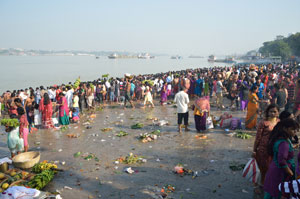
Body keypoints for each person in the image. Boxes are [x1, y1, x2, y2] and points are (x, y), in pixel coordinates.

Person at [264, 118, 299, 198]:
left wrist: (292, 147)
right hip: (280, 172)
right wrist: (290, 172)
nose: (295, 132)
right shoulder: (284, 143)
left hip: (274, 169)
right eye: (293, 129)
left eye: (296, 130)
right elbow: (282, 161)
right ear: (285, 129)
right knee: (278, 192)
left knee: (271, 191)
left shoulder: (281, 139)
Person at [253, 104, 279, 187]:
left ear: (278, 113)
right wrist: (254, 150)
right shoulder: (263, 123)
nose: (273, 113)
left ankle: (268, 184)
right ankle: (261, 184)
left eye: (275, 112)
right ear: (267, 112)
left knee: (272, 167)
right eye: (271, 111)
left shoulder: (279, 122)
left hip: (274, 149)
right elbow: (258, 137)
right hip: (263, 149)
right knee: (263, 168)